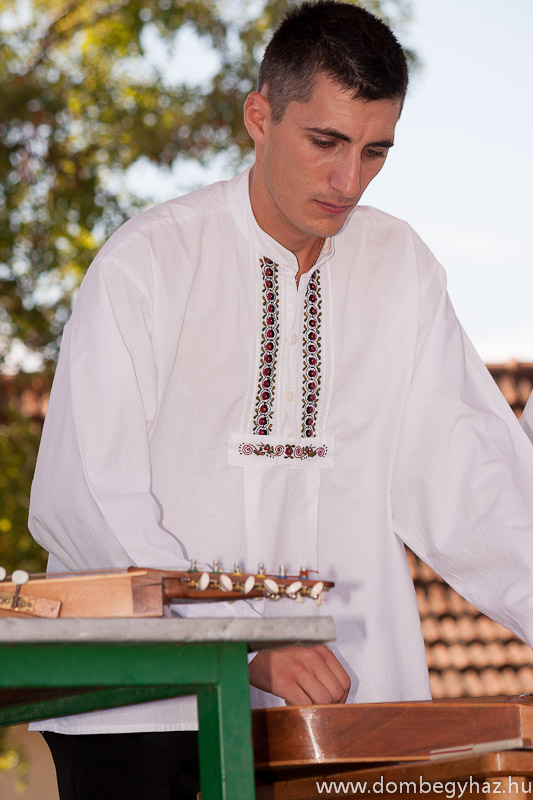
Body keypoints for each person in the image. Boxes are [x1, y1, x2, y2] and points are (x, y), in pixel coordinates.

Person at [28, 1, 533, 798]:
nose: (348, 180)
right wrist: (241, 644)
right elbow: (89, 498)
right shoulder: (149, 262)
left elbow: (469, 481)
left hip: (336, 714)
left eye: (374, 150)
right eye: (325, 142)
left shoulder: (398, 268)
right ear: (258, 118)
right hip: (145, 710)